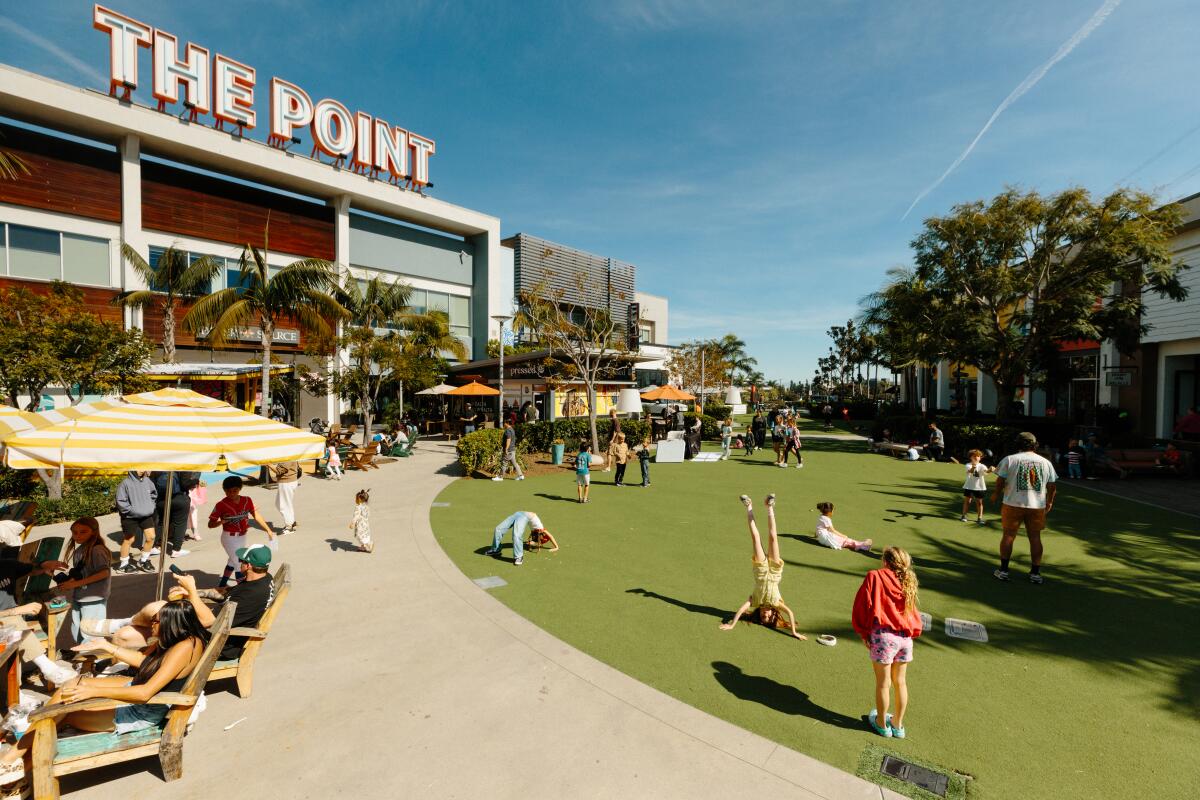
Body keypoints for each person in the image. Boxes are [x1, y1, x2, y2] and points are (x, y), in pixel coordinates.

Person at [1, 599, 210, 762]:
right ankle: (23, 746)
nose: (151, 625)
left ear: (171, 623)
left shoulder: (184, 648)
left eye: (155, 621)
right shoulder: (187, 640)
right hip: (140, 692)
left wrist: (93, 692)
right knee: (71, 688)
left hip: (141, 711)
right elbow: (146, 662)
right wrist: (108, 646)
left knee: (61, 714)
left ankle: (13, 759)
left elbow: (144, 693)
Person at [852, 547, 921, 739]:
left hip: (884, 637)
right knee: (901, 683)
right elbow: (912, 613)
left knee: (883, 684)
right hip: (905, 639)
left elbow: (863, 605)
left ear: (885, 561)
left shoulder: (874, 576)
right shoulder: (909, 580)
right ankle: (897, 725)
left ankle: (882, 723)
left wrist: (864, 633)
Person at [719, 494, 805, 639]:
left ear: (759, 613)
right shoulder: (776, 604)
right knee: (773, 537)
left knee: (755, 538)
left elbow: (741, 610)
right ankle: (769, 506)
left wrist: (731, 624)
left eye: (763, 617)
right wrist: (794, 632)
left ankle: (749, 506)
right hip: (775, 571)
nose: (765, 614)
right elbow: (790, 613)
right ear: (773, 614)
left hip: (760, 571)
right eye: (768, 617)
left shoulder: (755, 601)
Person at [173, 543, 275, 661]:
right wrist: (193, 592)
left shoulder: (252, 595)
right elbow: (226, 592)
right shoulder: (262, 579)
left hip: (220, 644)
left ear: (248, 565)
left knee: (163, 616)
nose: (239, 563)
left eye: (241, 560)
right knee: (169, 611)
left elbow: (208, 622)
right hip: (220, 629)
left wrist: (191, 590)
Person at [992, 432, 1057, 584]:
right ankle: (1035, 573)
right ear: (1035, 445)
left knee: (1008, 535)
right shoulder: (1045, 462)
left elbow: (1000, 480)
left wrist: (996, 494)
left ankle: (1003, 570)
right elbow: (1052, 486)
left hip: (1013, 504)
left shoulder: (1010, 459)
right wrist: (1049, 502)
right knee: (1035, 537)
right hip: (1037, 506)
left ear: (1018, 444)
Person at [52, 517, 112, 643]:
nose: (77, 535)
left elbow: (104, 573)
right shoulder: (80, 550)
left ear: (94, 532)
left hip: (94, 599)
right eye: (74, 532)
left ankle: (94, 658)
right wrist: (67, 581)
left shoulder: (97, 550)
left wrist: (76, 583)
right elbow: (83, 573)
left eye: (83, 532)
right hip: (80, 596)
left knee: (91, 631)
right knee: (77, 629)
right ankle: (84, 655)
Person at [208, 476, 275, 587]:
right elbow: (210, 524)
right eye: (228, 491)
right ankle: (243, 589)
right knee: (239, 564)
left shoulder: (247, 500)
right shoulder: (220, 505)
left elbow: (256, 515)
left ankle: (222, 584)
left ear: (240, 489)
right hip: (229, 537)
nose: (231, 493)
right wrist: (222, 521)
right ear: (224, 490)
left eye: (235, 490)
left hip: (242, 536)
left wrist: (268, 529)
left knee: (232, 561)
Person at [0, 603, 79, 685]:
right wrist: (15, 611)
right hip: (8, 619)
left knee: (17, 631)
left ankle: (18, 693)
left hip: (13, 618)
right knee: (15, 624)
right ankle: (48, 668)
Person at [115, 470, 157, 574]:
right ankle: (123, 565)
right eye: (138, 468)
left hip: (146, 515)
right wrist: (131, 510)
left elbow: (154, 494)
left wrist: (150, 506)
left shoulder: (148, 481)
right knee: (129, 540)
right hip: (129, 517)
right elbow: (120, 500)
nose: (141, 470)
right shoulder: (125, 483)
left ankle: (143, 561)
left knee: (151, 537)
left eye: (143, 467)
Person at [154, 471, 199, 559]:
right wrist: (195, 481)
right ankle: (176, 550)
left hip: (162, 499)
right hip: (179, 498)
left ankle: (151, 546)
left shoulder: (159, 466)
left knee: (162, 523)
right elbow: (184, 484)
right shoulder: (181, 466)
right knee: (180, 524)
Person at [485, 510, 550, 566]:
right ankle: (496, 549)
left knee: (516, 535)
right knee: (498, 529)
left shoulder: (535, 532)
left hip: (525, 516)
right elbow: (550, 536)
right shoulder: (542, 530)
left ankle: (519, 557)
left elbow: (530, 540)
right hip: (518, 513)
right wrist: (557, 547)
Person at [960, 449, 990, 524]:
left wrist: (990, 470)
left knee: (979, 503)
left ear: (980, 458)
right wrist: (973, 467)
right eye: (975, 456)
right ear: (971, 457)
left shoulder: (982, 466)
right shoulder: (968, 465)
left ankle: (979, 518)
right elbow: (970, 472)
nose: (977, 457)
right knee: (967, 501)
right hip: (969, 486)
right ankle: (963, 516)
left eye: (978, 456)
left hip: (980, 487)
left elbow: (986, 472)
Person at [273, 461, 301, 534]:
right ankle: (292, 522)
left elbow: (279, 471)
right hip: (287, 482)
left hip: (287, 483)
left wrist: (268, 465)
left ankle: (289, 526)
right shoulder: (288, 454)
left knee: (284, 505)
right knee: (279, 504)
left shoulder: (288, 456)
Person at [350, 489, 372, 553]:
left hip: (360, 524)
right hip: (366, 523)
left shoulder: (358, 507)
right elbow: (368, 514)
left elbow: (356, 516)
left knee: (360, 535)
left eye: (356, 498)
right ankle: (363, 547)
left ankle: (369, 544)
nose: (355, 500)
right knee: (365, 534)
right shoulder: (366, 506)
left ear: (359, 499)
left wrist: (352, 523)